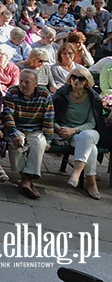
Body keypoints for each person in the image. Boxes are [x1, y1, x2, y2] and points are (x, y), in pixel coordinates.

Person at [52, 66, 111, 200]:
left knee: (87, 136)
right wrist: (58, 128)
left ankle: (76, 172)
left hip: (87, 130)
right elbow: (51, 116)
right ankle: (91, 183)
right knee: (92, 149)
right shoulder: (61, 94)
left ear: (87, 82)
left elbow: (92, 122)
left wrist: (75, 130)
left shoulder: (92, 98)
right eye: (74, 77)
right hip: (65, 132)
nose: (76, 80)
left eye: (81, 78)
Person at [2, 69, 54, 199]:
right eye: (21, 81)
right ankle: (27, 180)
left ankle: (26, 180)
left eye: (27, 82)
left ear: (36, 84)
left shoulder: (44, 94)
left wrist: (48, 139)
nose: (23, 85)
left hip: (35, 129)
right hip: (16, 127)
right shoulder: (12, 92)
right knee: (15, 144)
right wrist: (15, 134)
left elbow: (49, 117)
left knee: (39, 143)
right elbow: (7, 115)